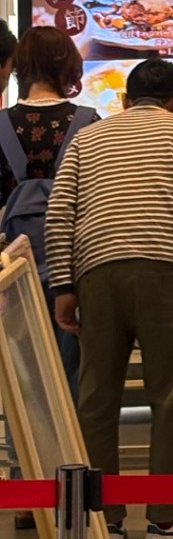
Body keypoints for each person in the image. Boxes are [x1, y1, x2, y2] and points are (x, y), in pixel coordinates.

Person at [46, 55, 173, 539]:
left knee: (97, 401)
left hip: (96, 272)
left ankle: (105, 523)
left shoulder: (87, 138)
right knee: (169, 398)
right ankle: (165, 524)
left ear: (125, 100)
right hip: (164, 270)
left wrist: (64, 285)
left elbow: (60, 211)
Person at [0, 26, 100, 397]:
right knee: (74, 369)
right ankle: (72, 436)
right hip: (75, 266)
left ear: (20, 67)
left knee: (22, 375)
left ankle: (27, 437)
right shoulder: (89, 124)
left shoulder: (1, 125)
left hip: (12, 265)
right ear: (68, 66)